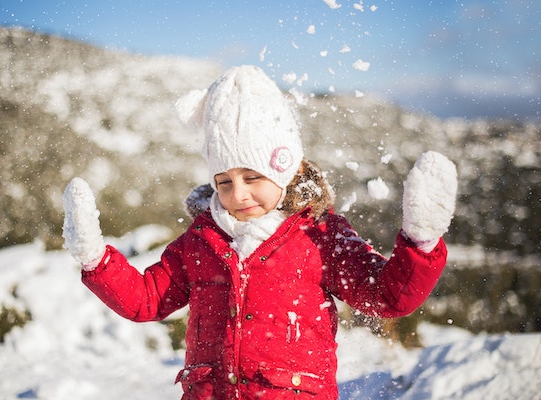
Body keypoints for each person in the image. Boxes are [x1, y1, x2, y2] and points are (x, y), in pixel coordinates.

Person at [62, 65, 458, 400]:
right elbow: (146, 300)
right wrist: (95, 260)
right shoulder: (201, 242)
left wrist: (420, 243)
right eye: (224, 181)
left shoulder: (319, 235)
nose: (239, 194)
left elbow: (385, 296)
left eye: (252, 177)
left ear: (283, 168)